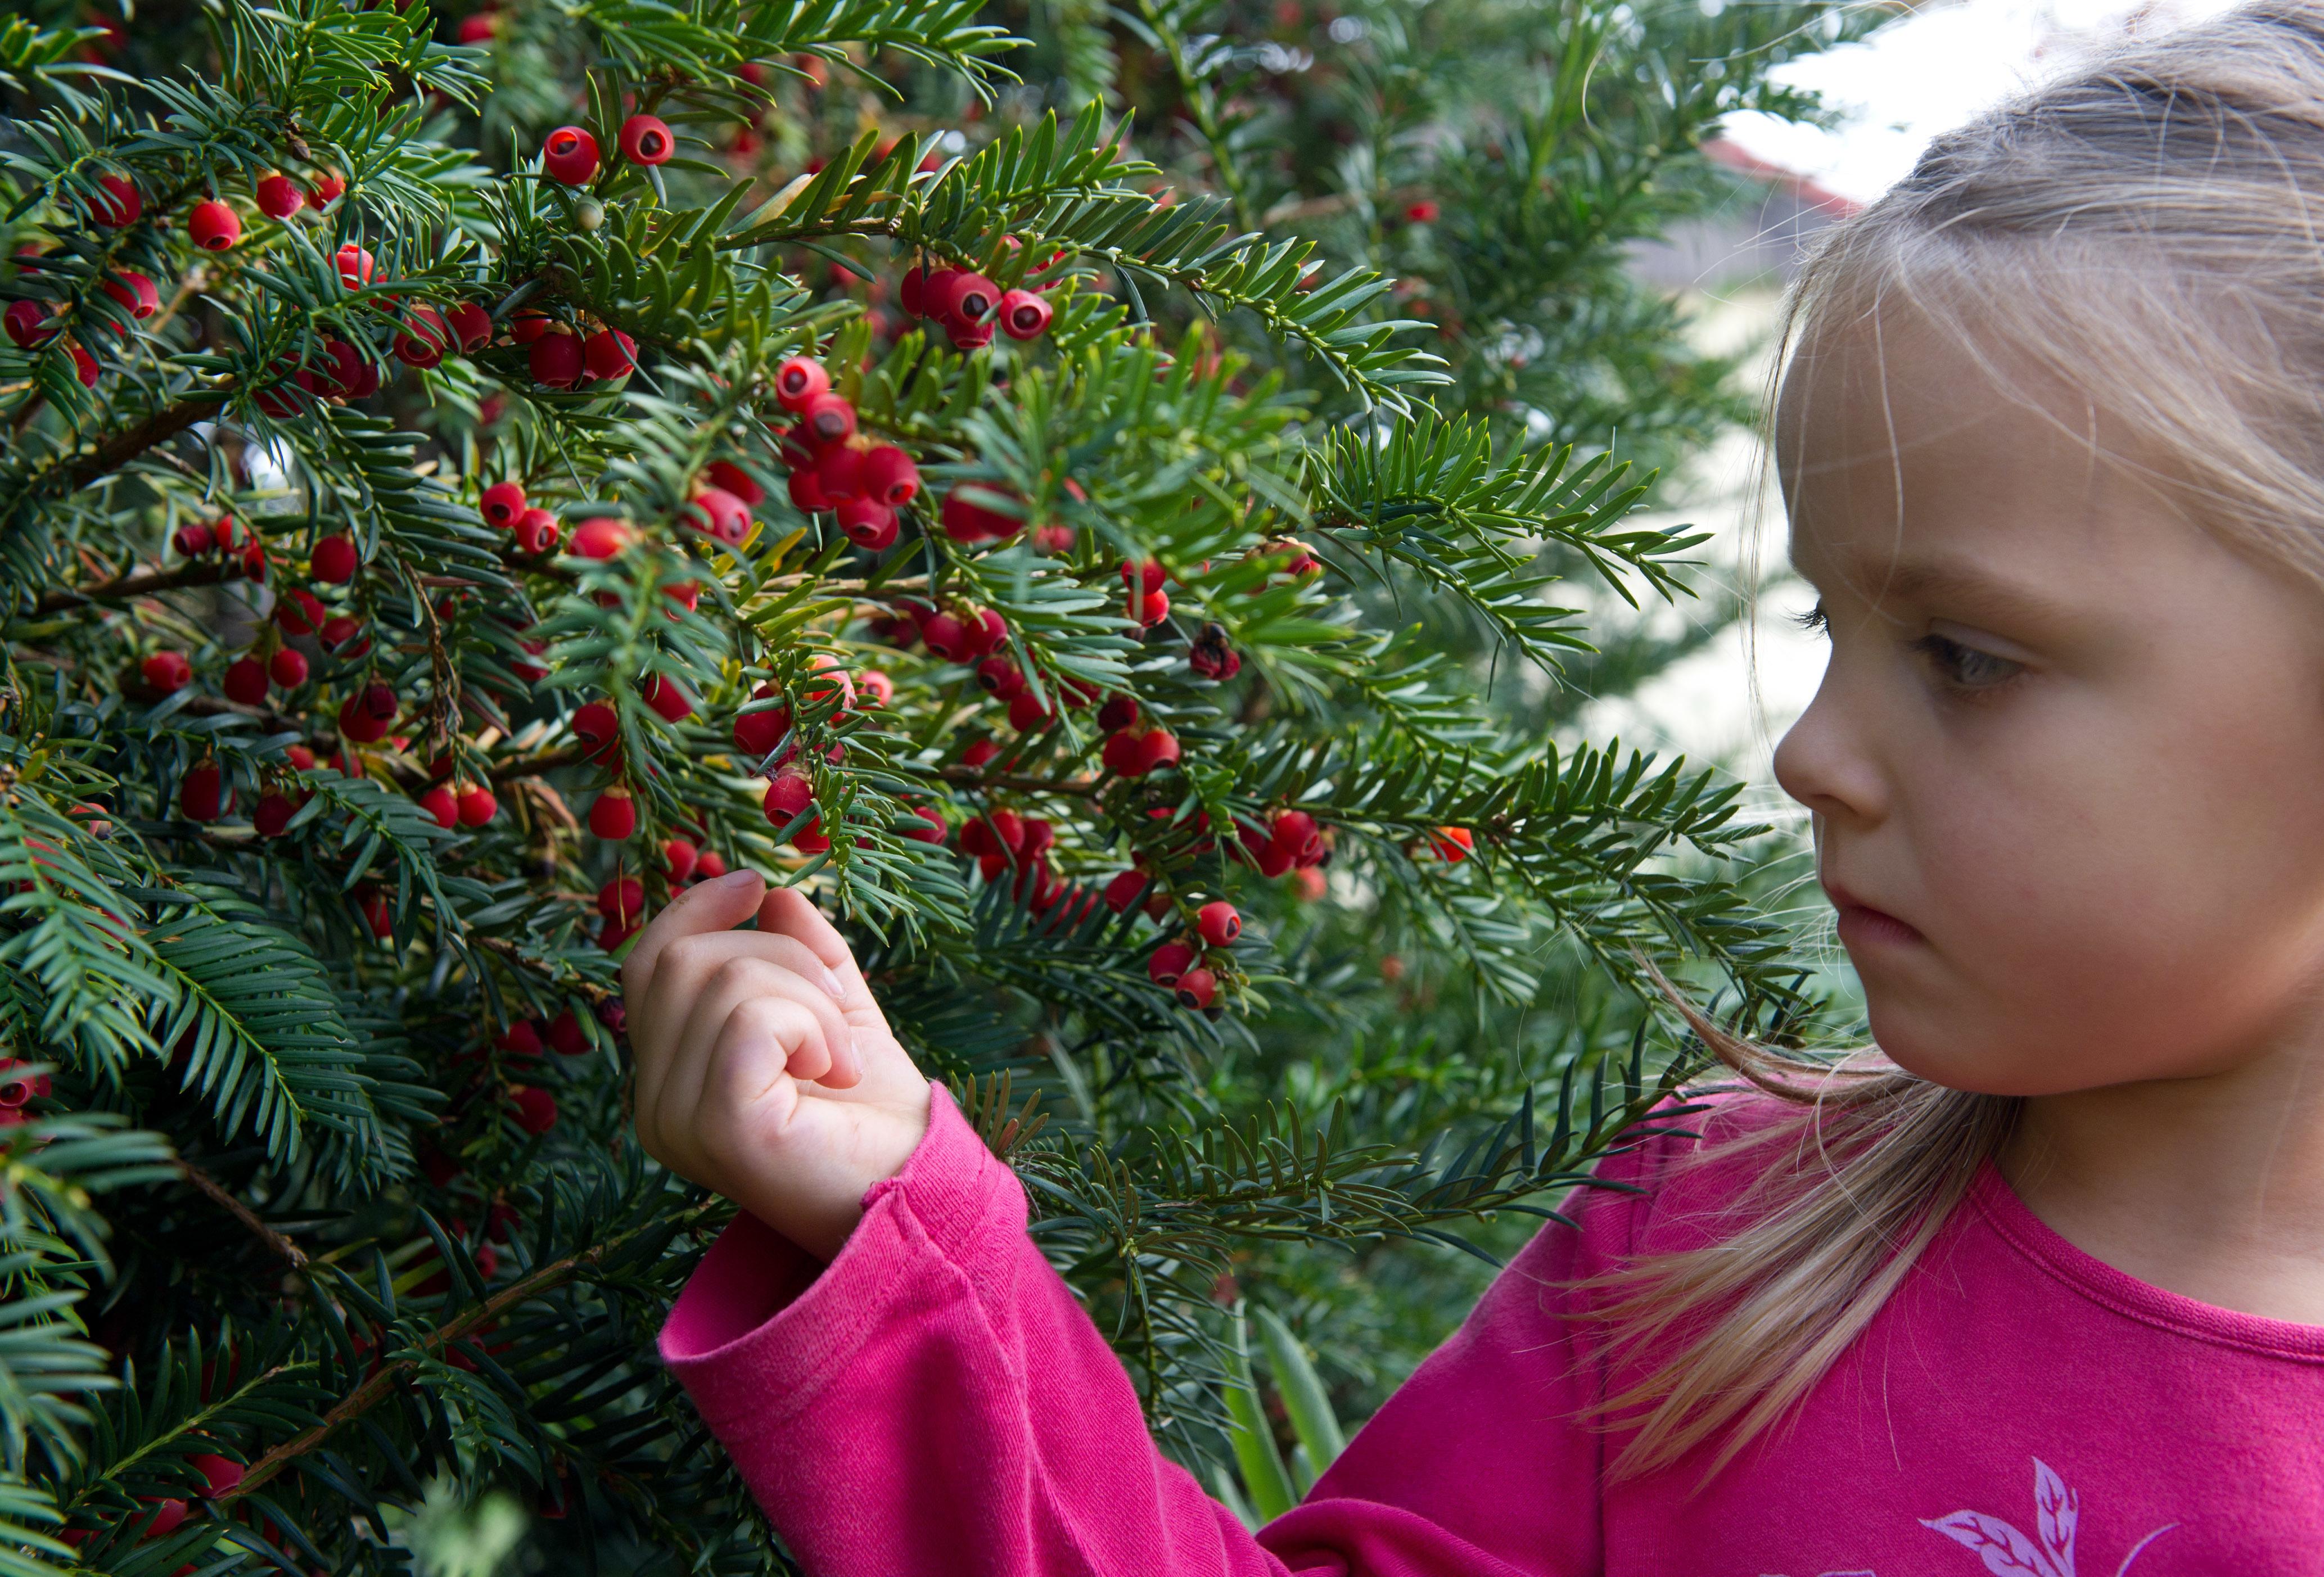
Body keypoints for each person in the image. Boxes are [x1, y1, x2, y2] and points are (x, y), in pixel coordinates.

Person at [625, 6, 2324, 1569]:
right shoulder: (1715, 1243)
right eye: (1829, 619)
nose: (1815, 751)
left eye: (1964, 654)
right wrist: (902, 1252)